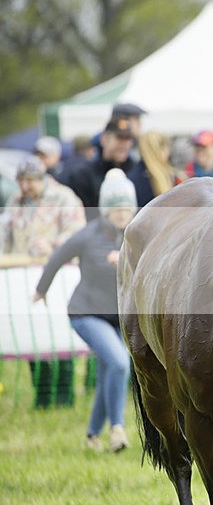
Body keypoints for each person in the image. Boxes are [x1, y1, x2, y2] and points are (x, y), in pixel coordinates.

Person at [34, 168, 136, 452]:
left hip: (117, 317)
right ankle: (117, 429)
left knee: (108, 372)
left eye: (126, 207)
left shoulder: (136, 237)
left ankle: (92, 435)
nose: (121, 213)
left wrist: (126, 261)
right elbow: (56, 258)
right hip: (86, 313)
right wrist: (41, 289)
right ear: (105, 209)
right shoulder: (89, 235)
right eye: (115, 208)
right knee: (118, 363)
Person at [3, 156, 86, 408]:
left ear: (42, 179)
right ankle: (42, 396)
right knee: (32, 333)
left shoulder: (65, 198)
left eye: (29, 181)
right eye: (21, 181)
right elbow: (5, 233)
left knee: (60, 333)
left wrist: (52, 245)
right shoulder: (15, 202)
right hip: (23, 276)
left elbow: (77, 232)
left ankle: (64, 397)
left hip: (59, 276)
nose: (25, 186)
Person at [59, 116, 137, 221]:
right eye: (119, 138)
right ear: (104, 139)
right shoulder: (83, 175)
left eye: (127, 139)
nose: (124, 144)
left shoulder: (135, 173)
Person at [127, 131, 179, 206]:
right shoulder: (168, 177)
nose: (168, 153)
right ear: (160, 150)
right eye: (166, 148)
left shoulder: (131, 177)